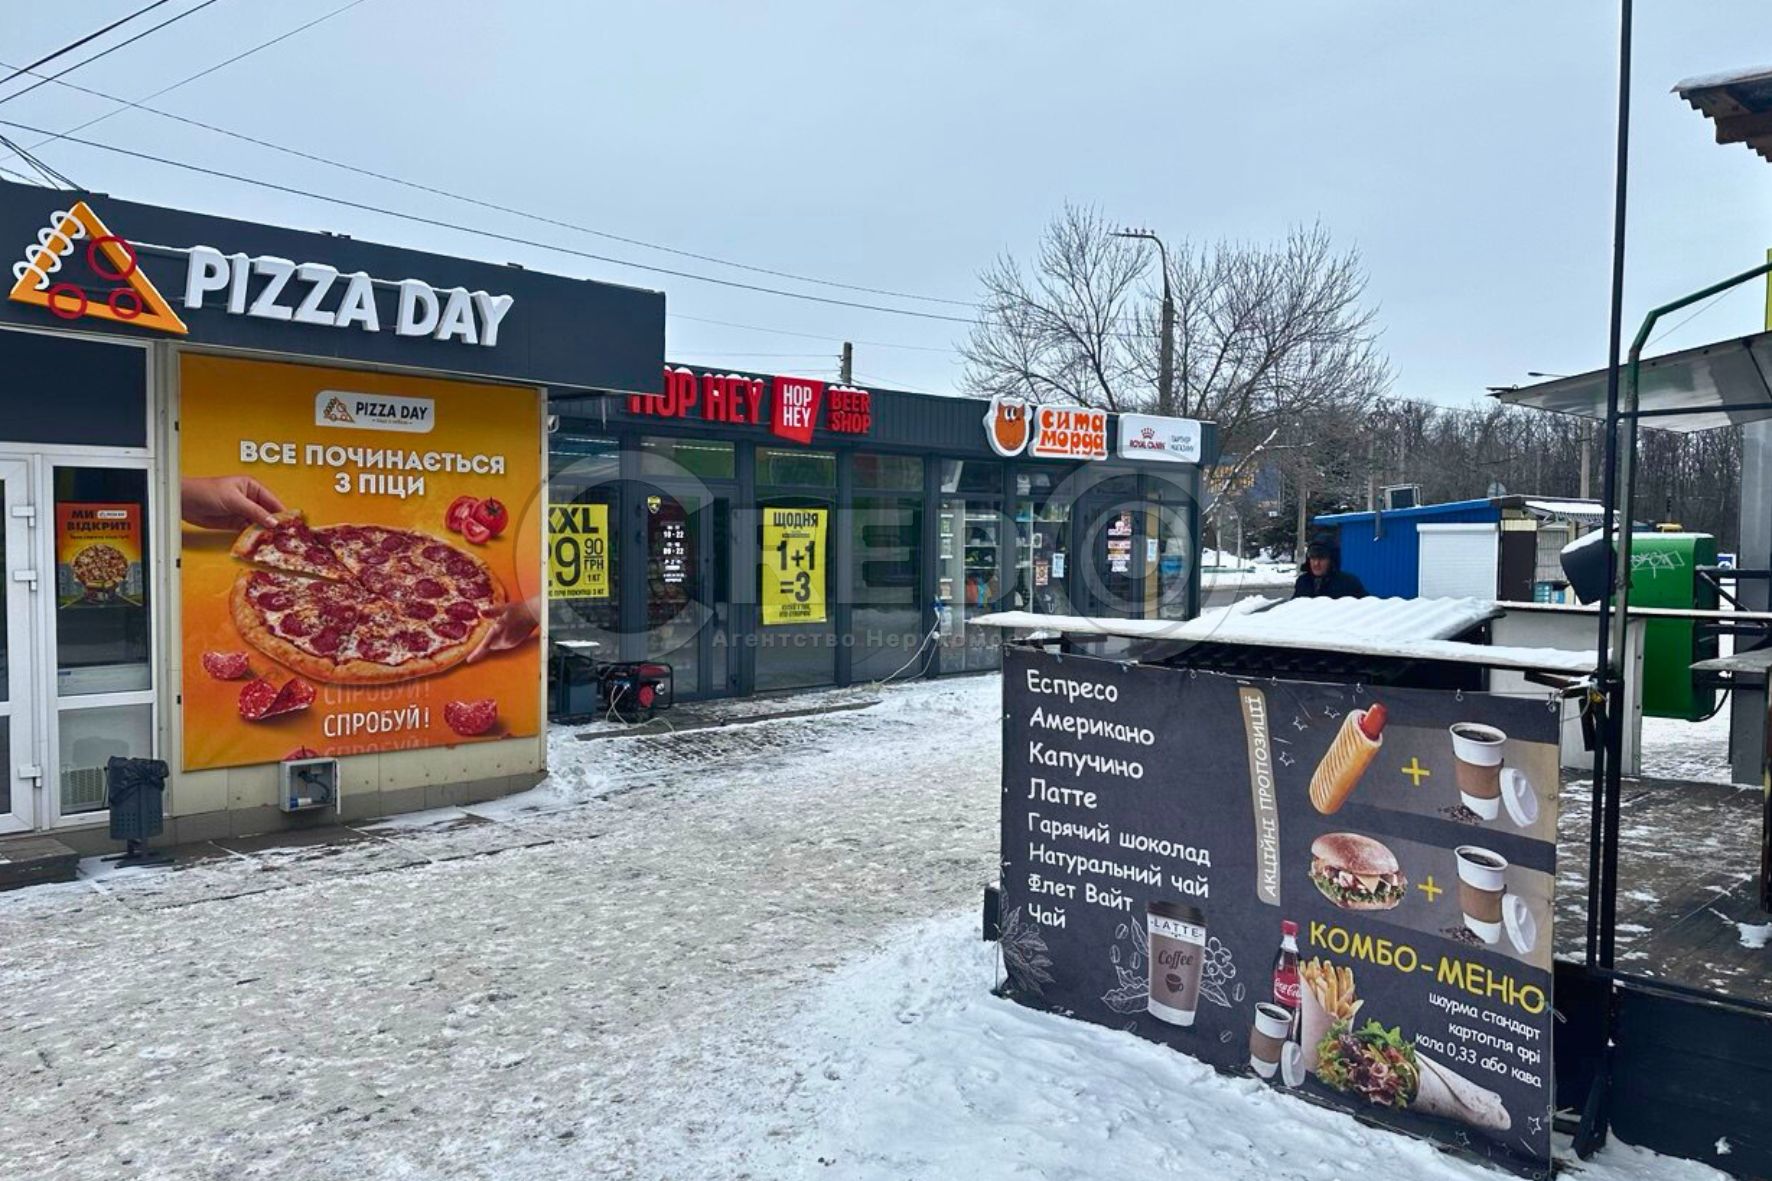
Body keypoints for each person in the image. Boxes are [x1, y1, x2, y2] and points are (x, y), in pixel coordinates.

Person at [1293, 539, 1366, 599]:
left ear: (1332, 560)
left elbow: (1367, 607)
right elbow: (1293, 607)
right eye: (1313, 558)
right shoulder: (1303, 582)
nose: (1316, 563)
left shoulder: (1348, 583)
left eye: (1322, 558)